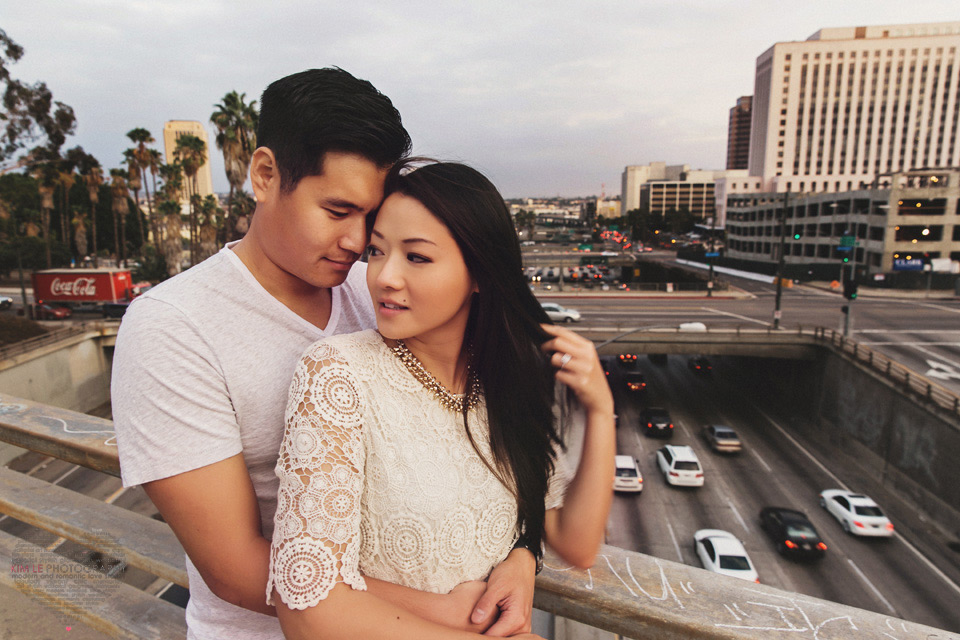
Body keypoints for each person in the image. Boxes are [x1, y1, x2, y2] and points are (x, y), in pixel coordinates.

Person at [112, 69, 539, 640]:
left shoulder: (382, 294)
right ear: (264, 175)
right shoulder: (173, 327)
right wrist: (450, 609)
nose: (360, 242)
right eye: (338, 212)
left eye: (372, 217)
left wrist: (520, 554)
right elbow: (233, 568)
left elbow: (471, 436)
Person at [267, 162, 616, 639]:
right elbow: (306, 604)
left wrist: (601, 411)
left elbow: (576, 545)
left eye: (417, 257)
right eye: (377, 251)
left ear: (479, 274)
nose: (385, 277)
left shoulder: (505, 383)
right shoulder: (337, 374)